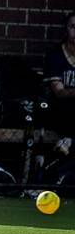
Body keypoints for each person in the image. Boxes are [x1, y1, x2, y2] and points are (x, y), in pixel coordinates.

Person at [44, 11, 75, 156]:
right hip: (61, 107)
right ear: (66, 30)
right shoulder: (55, 55)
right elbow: (59, 92)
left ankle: (69, 141)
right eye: (73, 27)